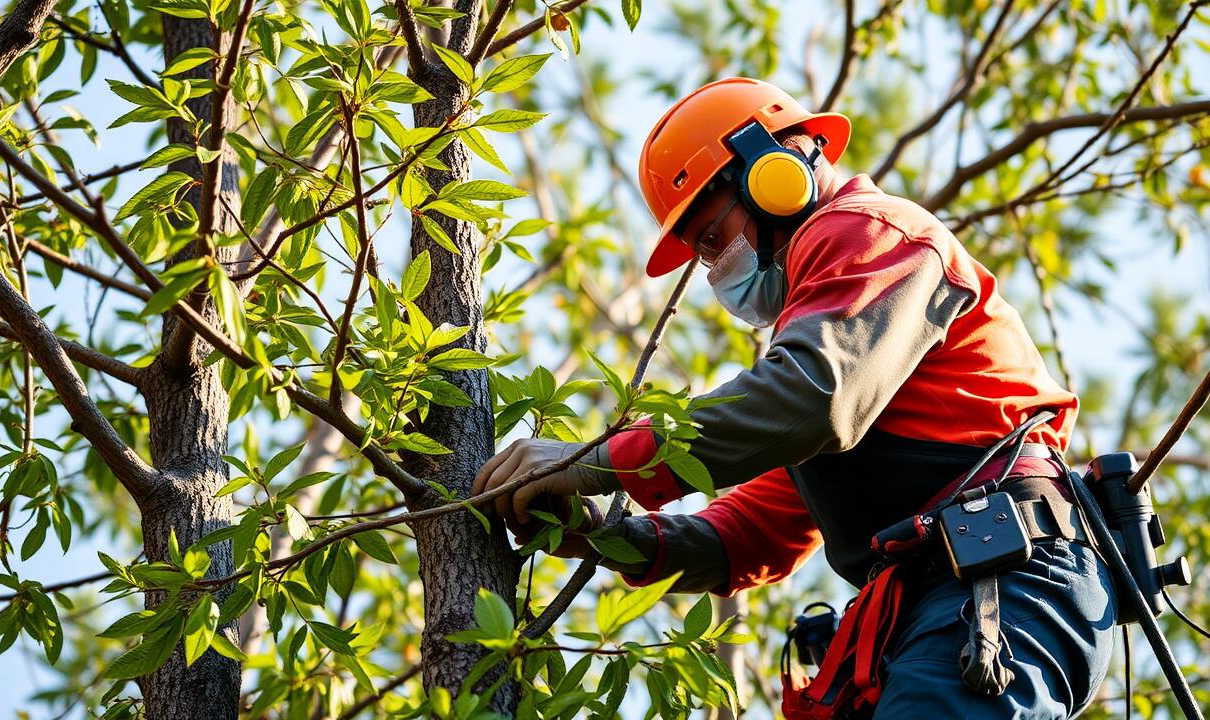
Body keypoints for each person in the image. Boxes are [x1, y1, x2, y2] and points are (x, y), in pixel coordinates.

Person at [473, 77, 1114, 718]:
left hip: (1001, 578)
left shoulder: (867, 232)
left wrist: (596, 460)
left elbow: (809, 397)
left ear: (770, 176)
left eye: (711, 241)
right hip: (942, 602)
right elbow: (750, 535)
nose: (714, 269)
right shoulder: (844, 359)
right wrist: (605, 534)